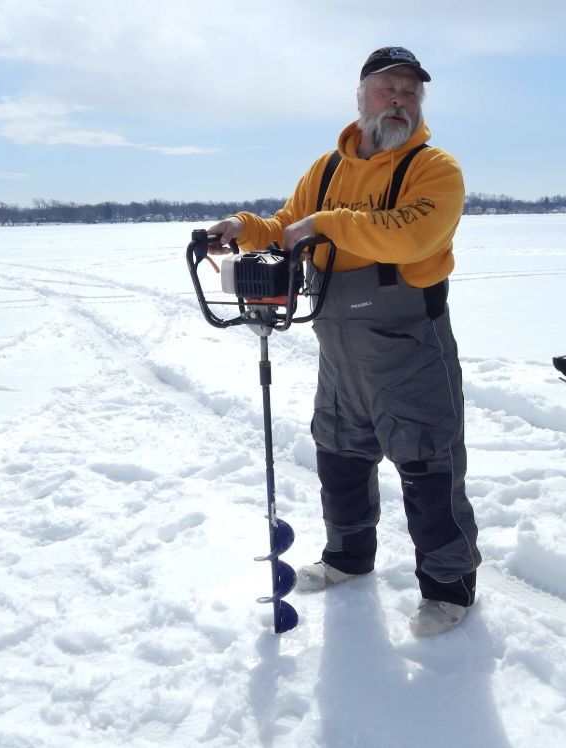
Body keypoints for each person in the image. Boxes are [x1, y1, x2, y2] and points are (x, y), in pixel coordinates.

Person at [208, 46, 481, 637]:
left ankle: (449, 589)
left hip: (410, 343)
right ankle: (347, 558)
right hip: (337, 344)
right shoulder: (327, 169)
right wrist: (241, 227)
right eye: (387, 88)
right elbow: (285, 225)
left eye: (410, 91)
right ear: (361, 97)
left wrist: (326, 224)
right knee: (339, 452)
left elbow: (412, 236)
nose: (399, 100)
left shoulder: (435, 168)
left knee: (427, 461)